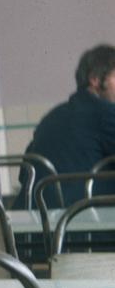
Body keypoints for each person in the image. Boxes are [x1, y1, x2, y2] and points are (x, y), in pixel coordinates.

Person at [19, 44, 115, 207]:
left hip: (37, 222)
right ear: (95, 79)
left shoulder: (52, 116)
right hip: (88, 223)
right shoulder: (106, 113)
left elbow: (24, 174)